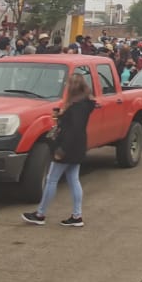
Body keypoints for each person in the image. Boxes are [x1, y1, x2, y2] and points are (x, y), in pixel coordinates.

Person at [23, 71, 94, 227]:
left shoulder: (75, 107)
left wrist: (61, 149)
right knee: (73, 180)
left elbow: (72, 129)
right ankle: (77, 215)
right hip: (78, 145)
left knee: (51, 180)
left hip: (67, 147)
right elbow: (77, 127)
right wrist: (62, 116)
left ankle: (41, 213)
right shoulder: (85, 104)